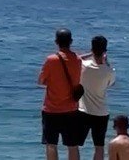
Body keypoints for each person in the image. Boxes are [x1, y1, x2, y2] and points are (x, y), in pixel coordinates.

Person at [38, 28, 84, 160]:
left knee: (51, 144)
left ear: (56, 42)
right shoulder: (78, 60)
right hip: (71, 108)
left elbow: (41, 81)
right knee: (73, 145)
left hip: (51, 109)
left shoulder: (51, 60)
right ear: (71, 41)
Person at [77, 35, 116, 160]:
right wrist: (106, 61)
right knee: (99, 146)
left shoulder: (84, 66)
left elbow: (76, 58)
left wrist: (90, 53)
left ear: (92, 49)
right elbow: (111, 84)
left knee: (74, 144)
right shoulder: (109, 71)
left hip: (83, 111)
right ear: (105, 51)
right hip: (101, 113)